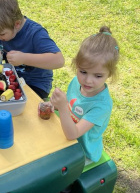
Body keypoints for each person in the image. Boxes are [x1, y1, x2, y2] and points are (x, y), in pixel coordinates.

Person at [50, 26, 119, 164]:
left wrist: (62, 107)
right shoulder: (76, 82)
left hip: (84, 153)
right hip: (68, 142)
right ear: (76, 65)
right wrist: (53, 105)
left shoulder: (101, 105)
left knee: (52, 167)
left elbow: (72, 134)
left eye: (98, 75)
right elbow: (70, 106)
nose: (88, 80)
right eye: (83, 72)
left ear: (109, 74)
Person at [0, 0, 64, 99]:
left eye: (1, 34)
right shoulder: (6, 30)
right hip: (12, 79)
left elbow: (58, 60)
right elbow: (5, 51)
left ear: (17, 24)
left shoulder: (36, 33)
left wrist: (24, 58)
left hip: (36, 84)